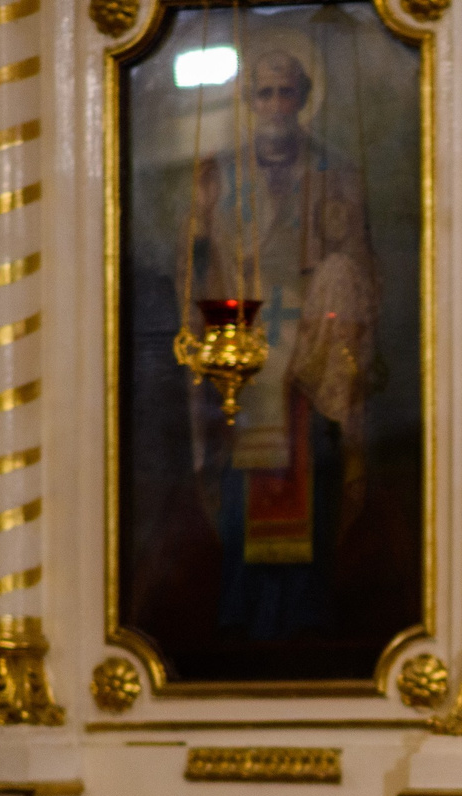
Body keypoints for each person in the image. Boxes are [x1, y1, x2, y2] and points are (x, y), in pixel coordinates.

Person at [186, 46, 379, 642]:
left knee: (310, 469)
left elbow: (357, 260)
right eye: (264, 93)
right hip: (241, 340)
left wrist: (334, 291)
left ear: (302, 99)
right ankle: (245, 609)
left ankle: (304, 610)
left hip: (310, 346)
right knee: (243, 472)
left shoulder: (333, 170)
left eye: (286, 92)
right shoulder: (218, 172)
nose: (275, 105)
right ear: (249, 102)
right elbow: (195, 261)